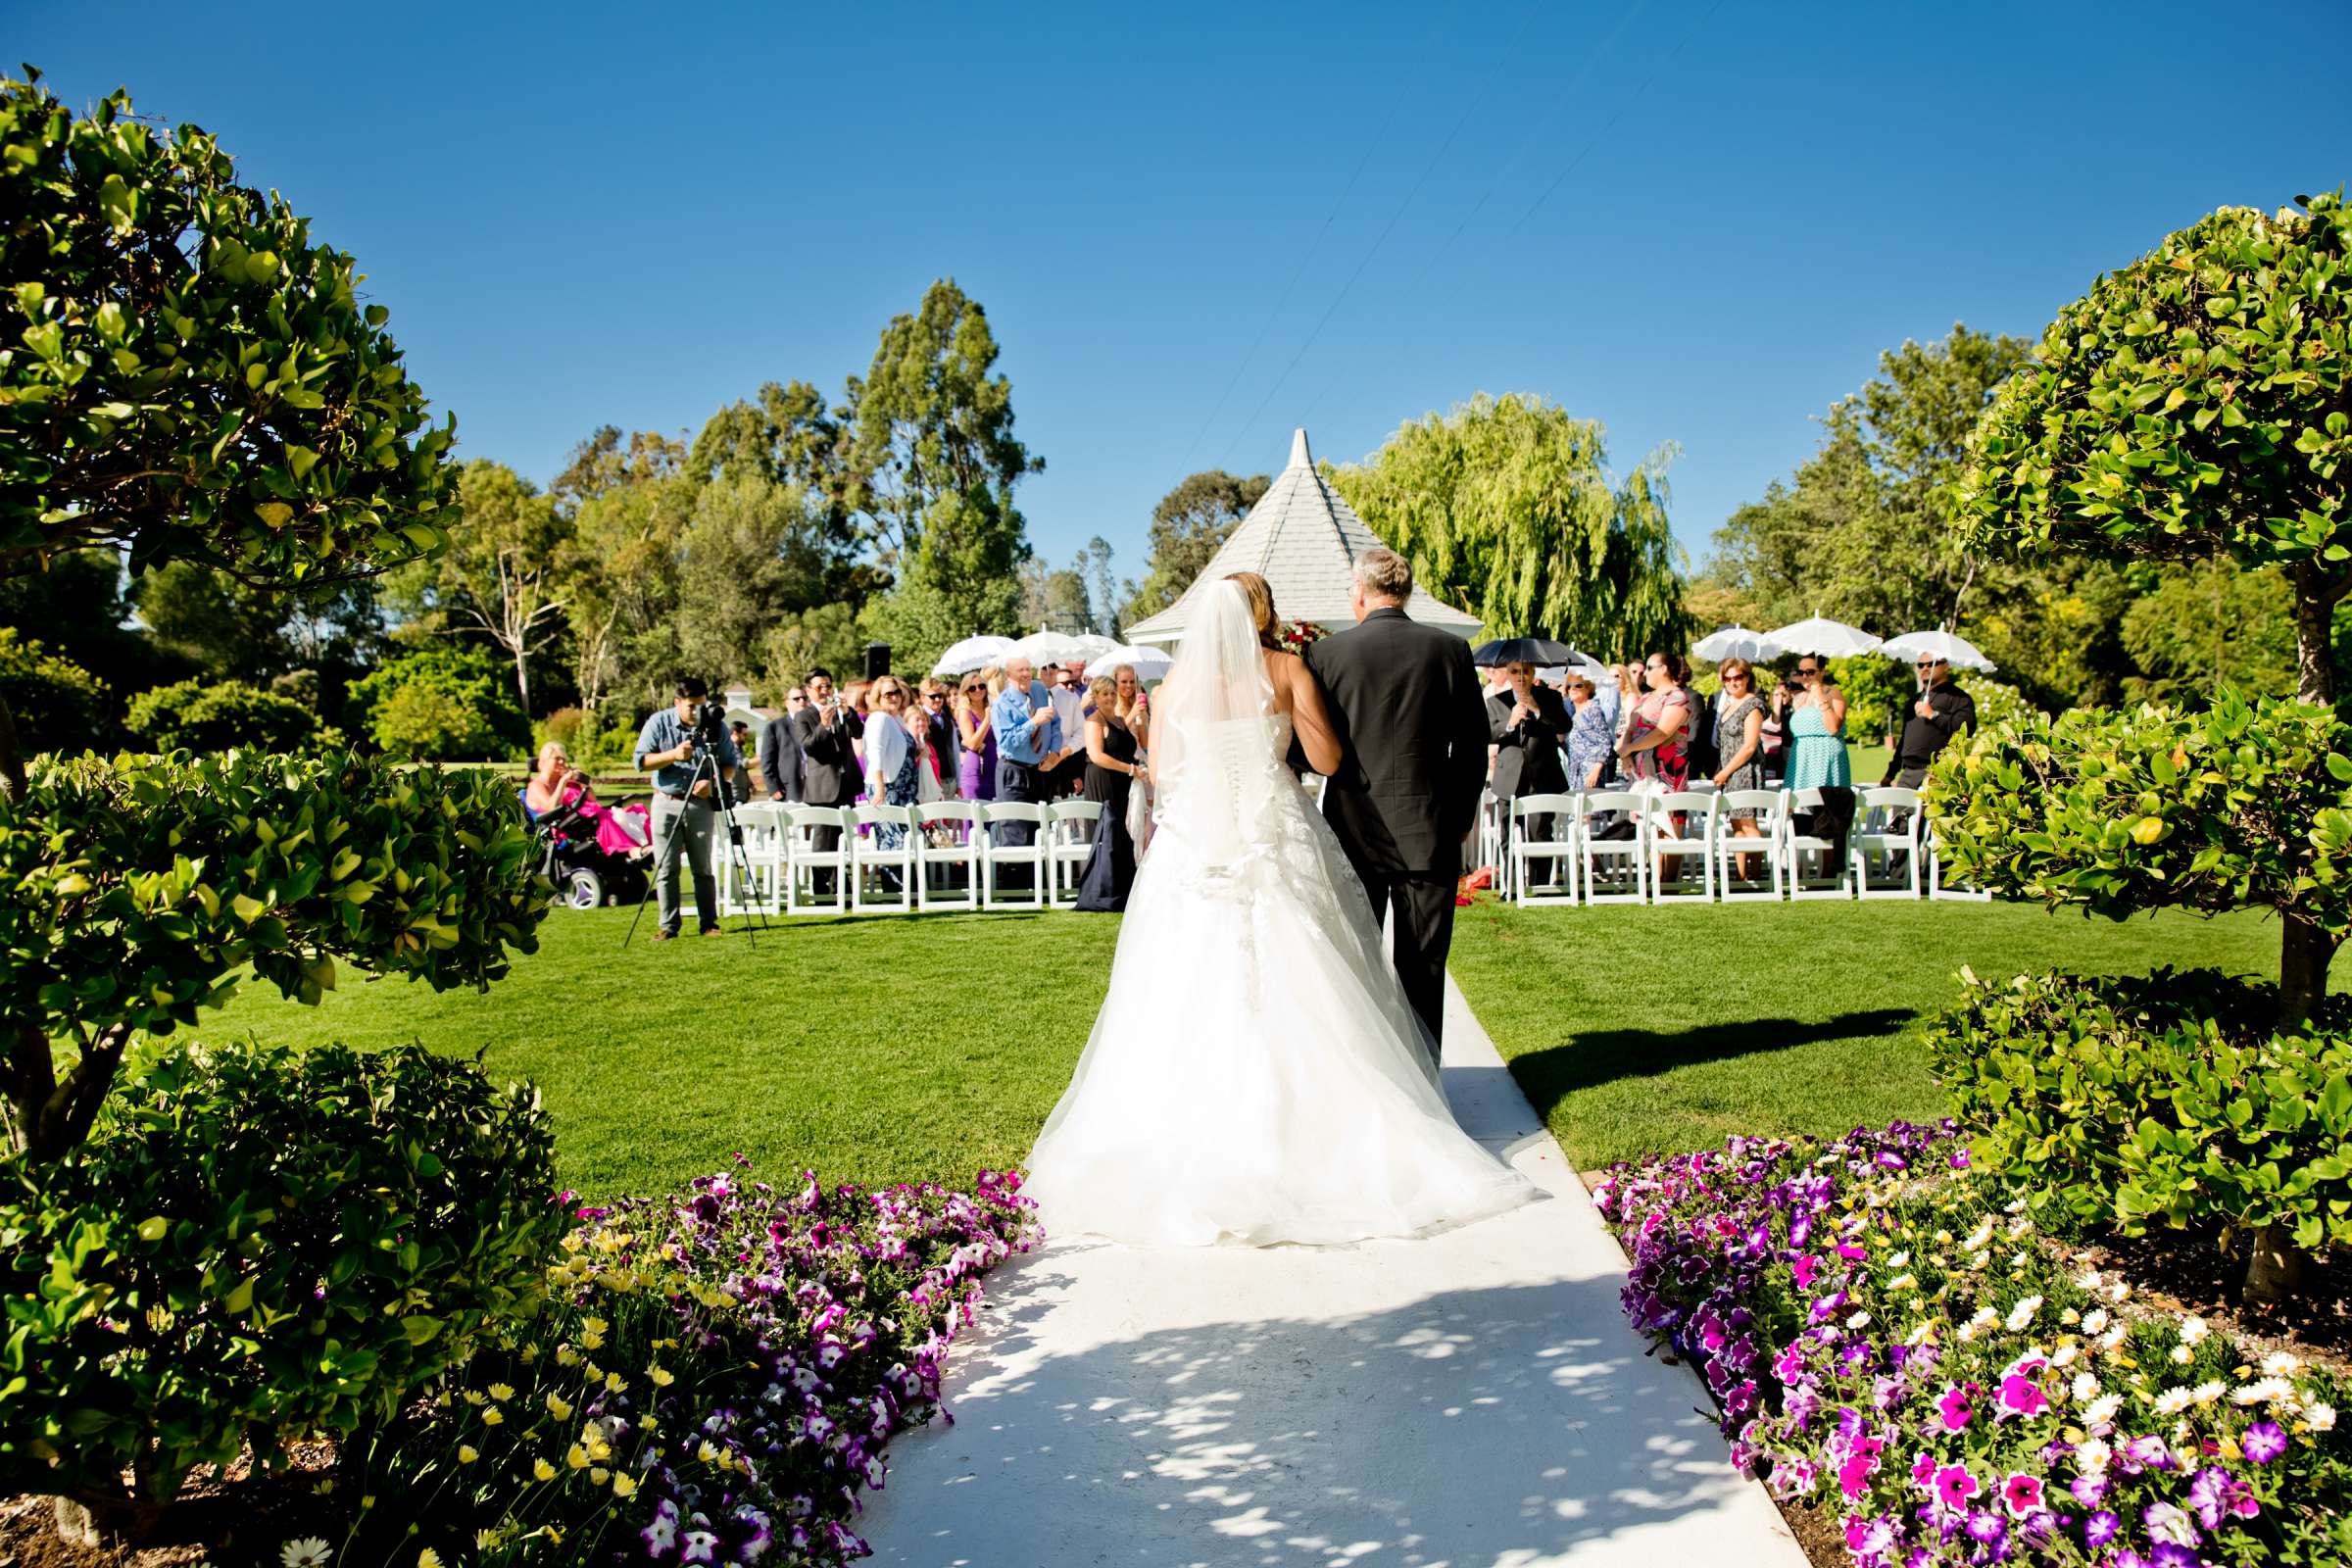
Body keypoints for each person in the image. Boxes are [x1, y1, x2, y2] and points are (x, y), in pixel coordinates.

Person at [1024, 574, 1537, 1248]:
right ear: (1259, 616)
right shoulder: (1288, 668)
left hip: (1199, 846)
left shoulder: (1175, 688)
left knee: (1185, 984)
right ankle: (1329, 1121)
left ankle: (1195, 1124)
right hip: (1273, 829)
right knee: (1308, 967)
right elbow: (1324, 756)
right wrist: (1281, 738)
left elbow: (1169, 775)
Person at [1299, 549, 1491, 1057]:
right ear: (1404, 593)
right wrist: (1460, 817)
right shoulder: (1449, 650)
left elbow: (1309, 750)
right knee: (1423, 968)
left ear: (1359, 592)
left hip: (1352, 830)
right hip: (1429, 830)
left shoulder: (1326, 655)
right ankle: (1427, 1082)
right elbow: (1473, 745)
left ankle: (1368, 1077)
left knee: (1356, 965)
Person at [632, 676, 740, 940]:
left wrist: (713, 784)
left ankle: (708, 923)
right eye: (691, 706)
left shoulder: (716, 725)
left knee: (702, 867)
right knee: (666, 867)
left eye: (701, 705)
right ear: (678, 703)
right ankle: (668, 925)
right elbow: (641, 761)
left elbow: (729, 765)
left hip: (699, 804)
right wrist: (673, 755)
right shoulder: (659, 722)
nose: (697, 712)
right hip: (666, 801)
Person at [1486, 660, 1571, 880]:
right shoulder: (1497, 702)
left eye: (1525, 671)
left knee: (1540, 832)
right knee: (1508, 835)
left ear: (1533, 673)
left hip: (1542, 775)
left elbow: (1564, 726)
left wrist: (1536, 709)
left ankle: (1539, 885)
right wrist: (1510, 723)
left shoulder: (1550, 697)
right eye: (1515, 672)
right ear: (1508, 674)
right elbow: (1487, 734)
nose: (1520, 676)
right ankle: (1511, 885)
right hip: (1509, 778)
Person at [1072, 673, 1141, 912]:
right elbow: (1097, 755)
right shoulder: (1093, 721)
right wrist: (1129, 768)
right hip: (1103, 780)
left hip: (1123, 782)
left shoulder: (1121, 720)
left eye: (1113, 693)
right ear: (1096, 697)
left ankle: (1124, 889)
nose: (1110, 697)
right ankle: (1104, 890)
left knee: (1124, 831)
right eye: (1105, 694)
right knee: (1107, 831)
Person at [792, 666, 862, 894]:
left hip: (845, 784)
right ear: (808, 690)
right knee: (823, 843)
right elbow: (809, 747)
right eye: (819, 687)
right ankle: (821, 891)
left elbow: (858, 732)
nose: (824, 691)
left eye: (828, 686)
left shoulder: (841, 711)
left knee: (842, 839)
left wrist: (848, 712)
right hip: (822, 788)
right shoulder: (804, 716)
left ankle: (843, 888)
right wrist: (823, 725)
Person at [989, 655, 1064, 864]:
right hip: (1014, 772)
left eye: (1028, 669)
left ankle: (1040, 884)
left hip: (1040, 770)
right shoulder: (1001, 705)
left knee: (1041, 829)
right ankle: (1016, 887)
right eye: (1020, 670)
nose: (1025, 674)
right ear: (1009, 675)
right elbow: (1007, 742)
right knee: (1016, 832)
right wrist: (1033, 723)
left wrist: (1055, 752)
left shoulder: (1040, 690)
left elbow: (1056, 723)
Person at [1710, 658, 1770, 878]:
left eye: (1738, 677)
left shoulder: (1752, 705)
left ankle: (1755, 874)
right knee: (1736, 823)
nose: (1733, 682)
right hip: (1729, 769)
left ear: (1747, 678)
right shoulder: (1729, 704)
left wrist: (1725, 772)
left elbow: (1749, 746)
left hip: (1745, 769)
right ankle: (1741, 875)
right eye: (1728, 678)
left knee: (1748, 823)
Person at [1884, 656, 1977, 788]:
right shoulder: (1915, 699)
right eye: (1921, 665)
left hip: (1939, 773)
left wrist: (1933, 715)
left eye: (1931, 664)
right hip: (1908, 774)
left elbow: (1966, 729)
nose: (1925, 668)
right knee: (1901, 809)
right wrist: (1890, 774)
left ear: (1945, 666)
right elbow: (1905, 740)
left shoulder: (1959, 698)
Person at [861, 675, 921, 852]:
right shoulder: (879, 718)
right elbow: (875, 753)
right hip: (888, 787)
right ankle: (894, 880)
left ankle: (910, 878)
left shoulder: (898, 719)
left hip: (905, 789)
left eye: (897, 693)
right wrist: (880, 787)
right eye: (888, 694)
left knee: (908, 840)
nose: (894, 697)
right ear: (878, 697)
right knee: (893, 841)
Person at [1616, 652, 1692, 789]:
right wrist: (1626, 755)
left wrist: (1630, 748)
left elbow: (1662, 733)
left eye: (1649, 668)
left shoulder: (1677, 697)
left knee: (1662, 810)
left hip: (1665, 774)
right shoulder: (1645, 697)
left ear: (1663, 669)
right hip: (1639, 774)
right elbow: (1630, 728)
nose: (1645, 673)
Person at [1781, 658, 1852, 789]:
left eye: (1810, 672)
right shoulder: (1799, 698)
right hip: (1801, 757)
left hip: (1825, 755)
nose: (1804, 676)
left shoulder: (1833, 693)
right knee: (1797, 804)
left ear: (1822, 672)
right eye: (1800, 672)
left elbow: (1833, 728)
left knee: (1824, 803)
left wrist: (1819, 695)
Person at [1564, 672, 1615, 791]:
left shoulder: (1593, 709)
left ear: (1588, 688)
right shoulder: (1574, 713)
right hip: (1576, 773)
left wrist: (1596, 769)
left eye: (1577, 685)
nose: (1572, 689)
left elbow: (1606, 742)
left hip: (1591, 772)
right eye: (1568, 686)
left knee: (1593, 808)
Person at [955, 672, 997, 802]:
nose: (978, 690)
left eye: (981, 686)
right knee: (975, 814)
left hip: (994, 765)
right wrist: (987, 719)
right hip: (975, 768)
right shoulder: (964, 711)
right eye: (972, 688)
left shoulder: (993, 707)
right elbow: (972, 744)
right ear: (966, 692)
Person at [761, 686, 808, 804]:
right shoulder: (775, 727)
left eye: (804, 698)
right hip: (789, 788)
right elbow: (767, 761)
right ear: (786, 703)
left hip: (814, 787)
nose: (802, 701)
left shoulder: (814, 724)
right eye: (796, 699)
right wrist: (773, 787)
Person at [918, 678, 959, 797]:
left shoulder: (946, 718)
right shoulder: (920, 718)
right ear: (922, 698)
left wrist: (959, 781)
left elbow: (955, 751)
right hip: (928, 778)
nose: (937, 699)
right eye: (933, 696)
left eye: (940, 696)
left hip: (949, 777)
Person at [525, 740, 586, 816]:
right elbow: (553, 809)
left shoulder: (569, 782)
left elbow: (593, 801)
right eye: (557, 758)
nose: (561, 762)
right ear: (545, 760)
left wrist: (582, 782)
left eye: (563, 759)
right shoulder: (535, 786)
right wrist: (563, 780)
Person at [726, 720, 755, 805]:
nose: (746, 737)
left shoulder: (739, 748)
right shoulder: (729, 748)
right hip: (734, 795)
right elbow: (745, 764)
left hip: (742, 795)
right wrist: (764, 757)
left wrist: (750, 784)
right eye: (744, 734)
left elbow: (742, 769)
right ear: (735, 733)